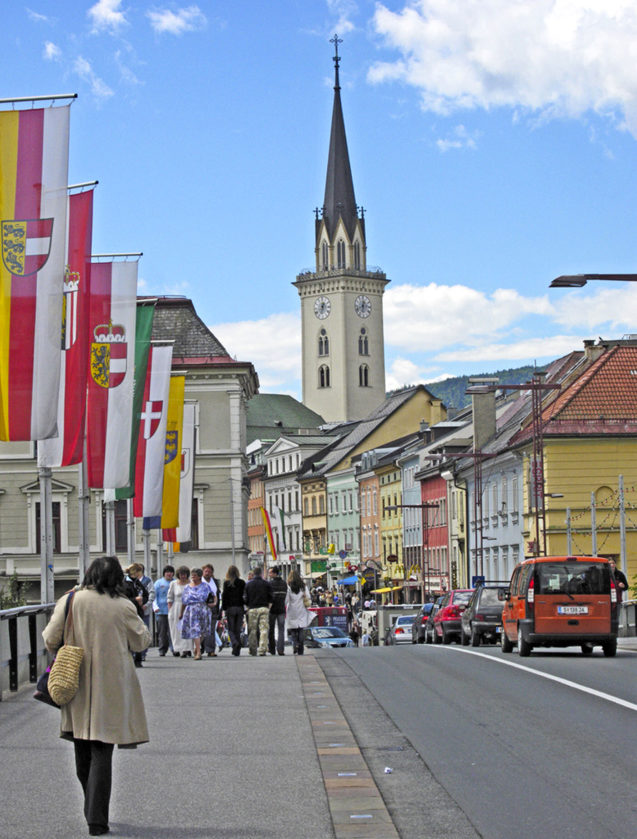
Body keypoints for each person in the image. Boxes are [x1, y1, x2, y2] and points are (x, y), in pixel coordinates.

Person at [42, 556, 150, 836]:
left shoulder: (71, 600)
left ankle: (92, 808)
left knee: (82, 747)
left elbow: (50, 638)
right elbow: (141, 641)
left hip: (75, 680)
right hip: (112, 684)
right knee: (103, 749)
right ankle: (96, 817)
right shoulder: (123, 605)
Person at [179, 567, 212, 660]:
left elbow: (213, 596)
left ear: (199, 576)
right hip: (191, 610)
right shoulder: (187, 587)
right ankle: (198, 652)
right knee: (195, 630)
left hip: (202, 609)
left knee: (202, 631)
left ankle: (196, 647)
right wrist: (181, 613)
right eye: (192, 575)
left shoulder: (205, 586)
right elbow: (184, 601)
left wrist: (213, 603)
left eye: (195, 575)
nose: (193, 577)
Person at [244, 565, 272, 656]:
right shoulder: (266, 583)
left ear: (254, 574)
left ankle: (253, 649)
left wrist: (248, 605)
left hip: (252, 609)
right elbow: (271, 597)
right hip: (264, 608)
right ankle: (262, 649)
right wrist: (268, 605)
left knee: (252, 630)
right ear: (261, 574)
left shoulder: (248, 584)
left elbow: (245, 597)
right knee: (264, 629)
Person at [124, 563, 148, 667]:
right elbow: (123, 599)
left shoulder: (138, 583)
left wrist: (143, 601)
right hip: (129, 612)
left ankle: (138, 658)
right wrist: (135, 600)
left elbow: (145, 594)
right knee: (130, 634)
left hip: (138, 611)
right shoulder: (125, 583)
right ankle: (131, 656)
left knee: (139, 633)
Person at [285, 570, 313, 655]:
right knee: (300, 628)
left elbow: (286, 600)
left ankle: (295, 644)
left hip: (292, 610)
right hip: (301, 609)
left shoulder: (288, 587)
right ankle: (301, 647)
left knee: (293, 630)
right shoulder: (303, 587)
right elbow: (308, 597)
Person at [167, 566, 193, 658]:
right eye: (181, 574)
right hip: (177, 607)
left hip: (188, 607)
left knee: (187, 628)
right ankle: (180, 648)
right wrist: (170, 610)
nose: (183, 576)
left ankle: (187, 648)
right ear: (178, 575)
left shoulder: (191, 583)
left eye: (185, 574)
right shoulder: (173, 584)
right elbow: (169, 597)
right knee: (177, 629)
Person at [221, 564, 246, 656]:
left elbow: (224, 596)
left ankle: (235, 643)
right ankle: (236, 650)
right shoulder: (242, 582)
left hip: (230, 608)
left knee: (231, 629)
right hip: (239, 607)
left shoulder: (226, 583)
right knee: (237, 629)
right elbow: (244, 595)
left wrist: (224, 608)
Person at [154, 565, 174, 656]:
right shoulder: (158, 583)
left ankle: (174, 648)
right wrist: (155, 607)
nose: (169, 574)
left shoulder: (175, 582)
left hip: (173, 610)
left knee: (172, 631)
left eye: (170, 572)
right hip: (161, 611)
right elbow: (154, 596)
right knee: (162, 632)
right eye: (167, 572)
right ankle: (162, 649)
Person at [268, 566, 288, 655]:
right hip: (281, 609)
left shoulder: (270, 584)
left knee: (271, 629)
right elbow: (286, 596)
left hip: (272, 610)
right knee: (281, 630)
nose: (269, 574)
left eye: (270, 572)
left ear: (275, 573)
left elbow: (268, 596)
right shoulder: (284, 584)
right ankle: (280, 649)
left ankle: (272, 649)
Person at [201, 563, 220, 657]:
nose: (207, 573)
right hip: (201, 608)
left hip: (213, 608)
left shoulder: (215, 582)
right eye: (206, 571)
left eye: (209, 571)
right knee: (201, 629)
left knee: (211, 630)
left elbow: (218, 595)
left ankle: (210, 650)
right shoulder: (199, 581)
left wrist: (218, 607)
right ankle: (200, 648)